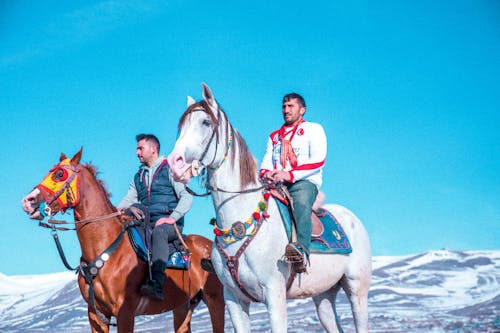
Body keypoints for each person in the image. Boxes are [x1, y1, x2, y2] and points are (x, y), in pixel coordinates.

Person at [119, 133, 193, 300]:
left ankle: (156, 284)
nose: (137, 152)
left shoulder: (171, 169)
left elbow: (187, 197)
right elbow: (129, 198)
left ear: (153, 149)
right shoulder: (138, 176)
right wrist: (118, 211)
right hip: (145, 222)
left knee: (160, 231)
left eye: (140, 148)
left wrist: (172, 218)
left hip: (170, 225)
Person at [259, 93, 327, 273]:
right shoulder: (274, 136)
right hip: (277, 183)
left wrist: (289, 174)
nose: (286, 110)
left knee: (301, 202)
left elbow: (318, 160)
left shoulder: (314, 129)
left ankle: (302, 252)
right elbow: (266, 162)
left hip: (303, 181)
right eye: (284, 106)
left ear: (302, 110)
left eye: (291, 106)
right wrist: (267, 174)